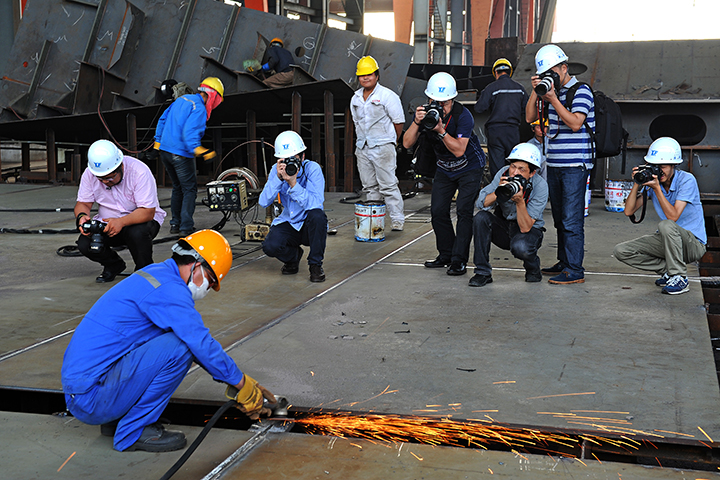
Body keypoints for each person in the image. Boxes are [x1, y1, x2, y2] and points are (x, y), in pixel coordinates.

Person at [61, 229, 276, 452]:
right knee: (181, 347)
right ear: (196, 265)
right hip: (92, 398)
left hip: (85, 390)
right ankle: (133, 431)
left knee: (171, 340)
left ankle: (118, 418)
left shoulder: (156, 274)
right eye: (211, 280)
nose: (208, 288)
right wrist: (241, 383)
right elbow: (199, 343)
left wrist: (234, 381)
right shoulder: (169, 289)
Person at [403, 72, 486, 276]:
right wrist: (416, 122)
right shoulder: (425, 114)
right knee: (438, 211)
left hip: (469, 167)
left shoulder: (463, 116)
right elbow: (406, 143)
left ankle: (459, 260)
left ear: (452, 100)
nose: (440, 107)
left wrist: (441, 131)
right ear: (429, 99)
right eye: (435, 102)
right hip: (445, 167)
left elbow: (459, 150)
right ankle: (446, 254)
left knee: (464, 211)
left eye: (445, 103)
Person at [526, 44, 595, 285]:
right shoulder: (548, 92)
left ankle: (574, 269)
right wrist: (536, 91)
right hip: (554, 163)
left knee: (571, 219)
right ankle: (564, 261)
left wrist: (553, 99)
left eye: (553, 72)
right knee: (559, 217)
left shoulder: (581, 91)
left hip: (575, 165)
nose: (550, 77)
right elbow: (529, 117)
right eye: (545, 74)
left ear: (564, 68)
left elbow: (575, 123)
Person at [614, 137, 706, 295]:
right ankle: (668, 271)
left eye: (662, 167)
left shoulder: (686, 180)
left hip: (693, 245)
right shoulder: (653, 182)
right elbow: (629, 211)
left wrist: (656, 189)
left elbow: (673, 216)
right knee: (621, 251)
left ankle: (679, 277)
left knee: (666, 225)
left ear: (673, 165)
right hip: (669, 241)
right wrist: (637, 183)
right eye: (655, 166)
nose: (659, 171)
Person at [75, 140, 166, 283]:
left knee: (137, 233)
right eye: (101, 179)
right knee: (84, 244)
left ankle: (144, 271)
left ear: (121, 166)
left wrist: (121, 222)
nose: (105, 182)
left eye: (110, 177)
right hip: (107, 223)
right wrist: (82, 216)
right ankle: (114, 265)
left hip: (140, 221)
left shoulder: (139, 172)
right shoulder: (90, 174)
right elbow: (83, 203)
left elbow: (147, 212)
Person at [470, 143, 548, 287]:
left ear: (532, 173)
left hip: (529, 231)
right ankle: (482, 272)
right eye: (513, 166)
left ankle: (533, 268)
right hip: (505, 226)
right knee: (480, 218)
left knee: (521, 247)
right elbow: (481, 203)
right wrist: (499, 191)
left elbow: (525, 228)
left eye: (521, 169)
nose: (514, 173)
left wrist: (520, 201)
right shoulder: (504, 173)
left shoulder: (540, 186)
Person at [154, 77, 224, 236]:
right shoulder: (199, 108)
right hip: (180, 153)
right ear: (212, 95)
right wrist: (201, 151)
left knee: (177, 187)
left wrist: (157, 143)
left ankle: (175, 224)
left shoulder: (181, 99)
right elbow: (190, 133)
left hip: (165, 152)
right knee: (189, 189)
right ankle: (186, 226)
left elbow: (162, 120)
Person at [259, 130, 328, 283]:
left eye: (294, 159)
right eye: (285, 160)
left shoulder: (312, 169)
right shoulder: (277, 170)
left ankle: (315, 265)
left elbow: (316, 204)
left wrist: (293, 184)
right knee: (270, 246)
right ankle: (293, 257)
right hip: (289, 221)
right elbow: (263, 202)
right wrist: (278, 179)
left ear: (302, 156)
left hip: (309, 225)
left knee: (318, 217)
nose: (290, 163)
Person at [350, 56, 406, 231]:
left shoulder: (388, 96)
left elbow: (398, 122)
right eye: (362, 75)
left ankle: (397, 220)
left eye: (369, 74)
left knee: (388, 185)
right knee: (369, 187)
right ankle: (375, 220)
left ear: (377, 75)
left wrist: (391, 141)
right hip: (363, 147)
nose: (365, 78)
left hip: (383, 147)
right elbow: (356, 123)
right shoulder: (355, 99)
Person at [475, 58, 529, 179]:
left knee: (497, 167)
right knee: (513, 164)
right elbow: (526, 110)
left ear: (495, 72)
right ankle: (513, 187)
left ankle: (499, 188)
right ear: (510, 72)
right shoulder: (520, 89)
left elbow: (479, 108)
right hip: (513, 131)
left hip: (496, 132)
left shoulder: (491, 88)